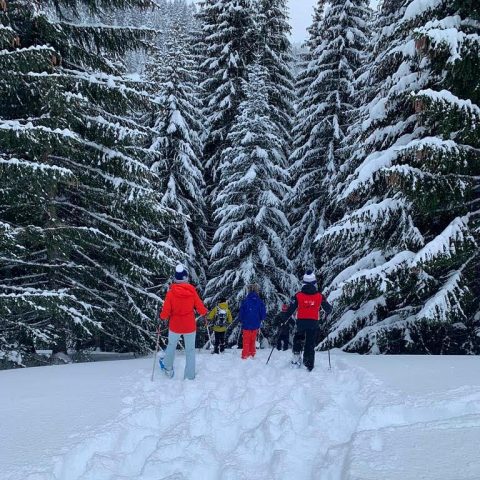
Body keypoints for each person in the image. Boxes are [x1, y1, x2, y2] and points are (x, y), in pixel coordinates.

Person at [159, 264, 208, 380]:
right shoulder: (192, 291)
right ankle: (190, 376)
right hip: (189, 326)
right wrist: (205, 312)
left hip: (175, 326)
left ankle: (168, 368)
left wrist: (161, 317)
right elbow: (201, 309)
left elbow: (165, 313)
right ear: (186, 278)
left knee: (171, 346)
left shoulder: (171, 293)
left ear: (175, 279)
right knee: (190, 351)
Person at [281, 270, 332, 371]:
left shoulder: (298, 295)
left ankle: (296, 359)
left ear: (303, 283)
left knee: (298, 338)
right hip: (313, 322)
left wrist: (284, 319)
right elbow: (328, 309)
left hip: (301, 321)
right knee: (310, 342)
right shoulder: (319, 296)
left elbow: (291, 309)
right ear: (314, 283)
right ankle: (308, 364)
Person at [239, 284, 266, 359]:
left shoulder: (245, 301)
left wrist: (241, 319)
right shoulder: (259, 301)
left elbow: (241, 312)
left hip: (246, 323)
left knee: (246, 341)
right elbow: (263, 313)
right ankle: (252, 354)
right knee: (252, 340)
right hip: (255, 324)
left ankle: (245, 355)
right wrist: (261, 318)